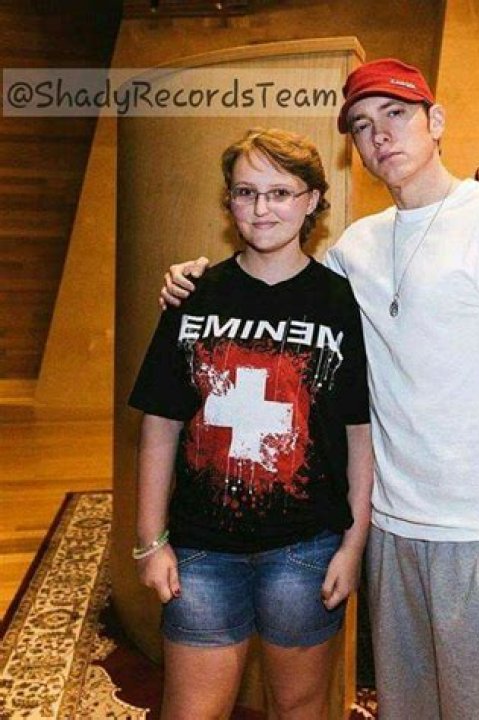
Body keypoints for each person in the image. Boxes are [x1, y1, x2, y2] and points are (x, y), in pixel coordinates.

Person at [160, 59, 479, 720]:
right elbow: (281, 285)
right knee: (406, 707)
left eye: (396, 114)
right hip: (390, 525)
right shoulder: (357, 248)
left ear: (437, 121)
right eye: (361, 124)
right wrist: (197, 281)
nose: (379, 134)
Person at [129, 127, 373, 720]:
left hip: (306, 548)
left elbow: (360, 435)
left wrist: (353, 546)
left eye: (280, 192)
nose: (262, 208)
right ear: (229, 201)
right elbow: (160, 425)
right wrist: (150, 541)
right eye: (245, 192)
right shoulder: (193, 295)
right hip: (201, 549)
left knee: (300, 707)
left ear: (312, 200)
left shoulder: (342, 303)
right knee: (191, 711)